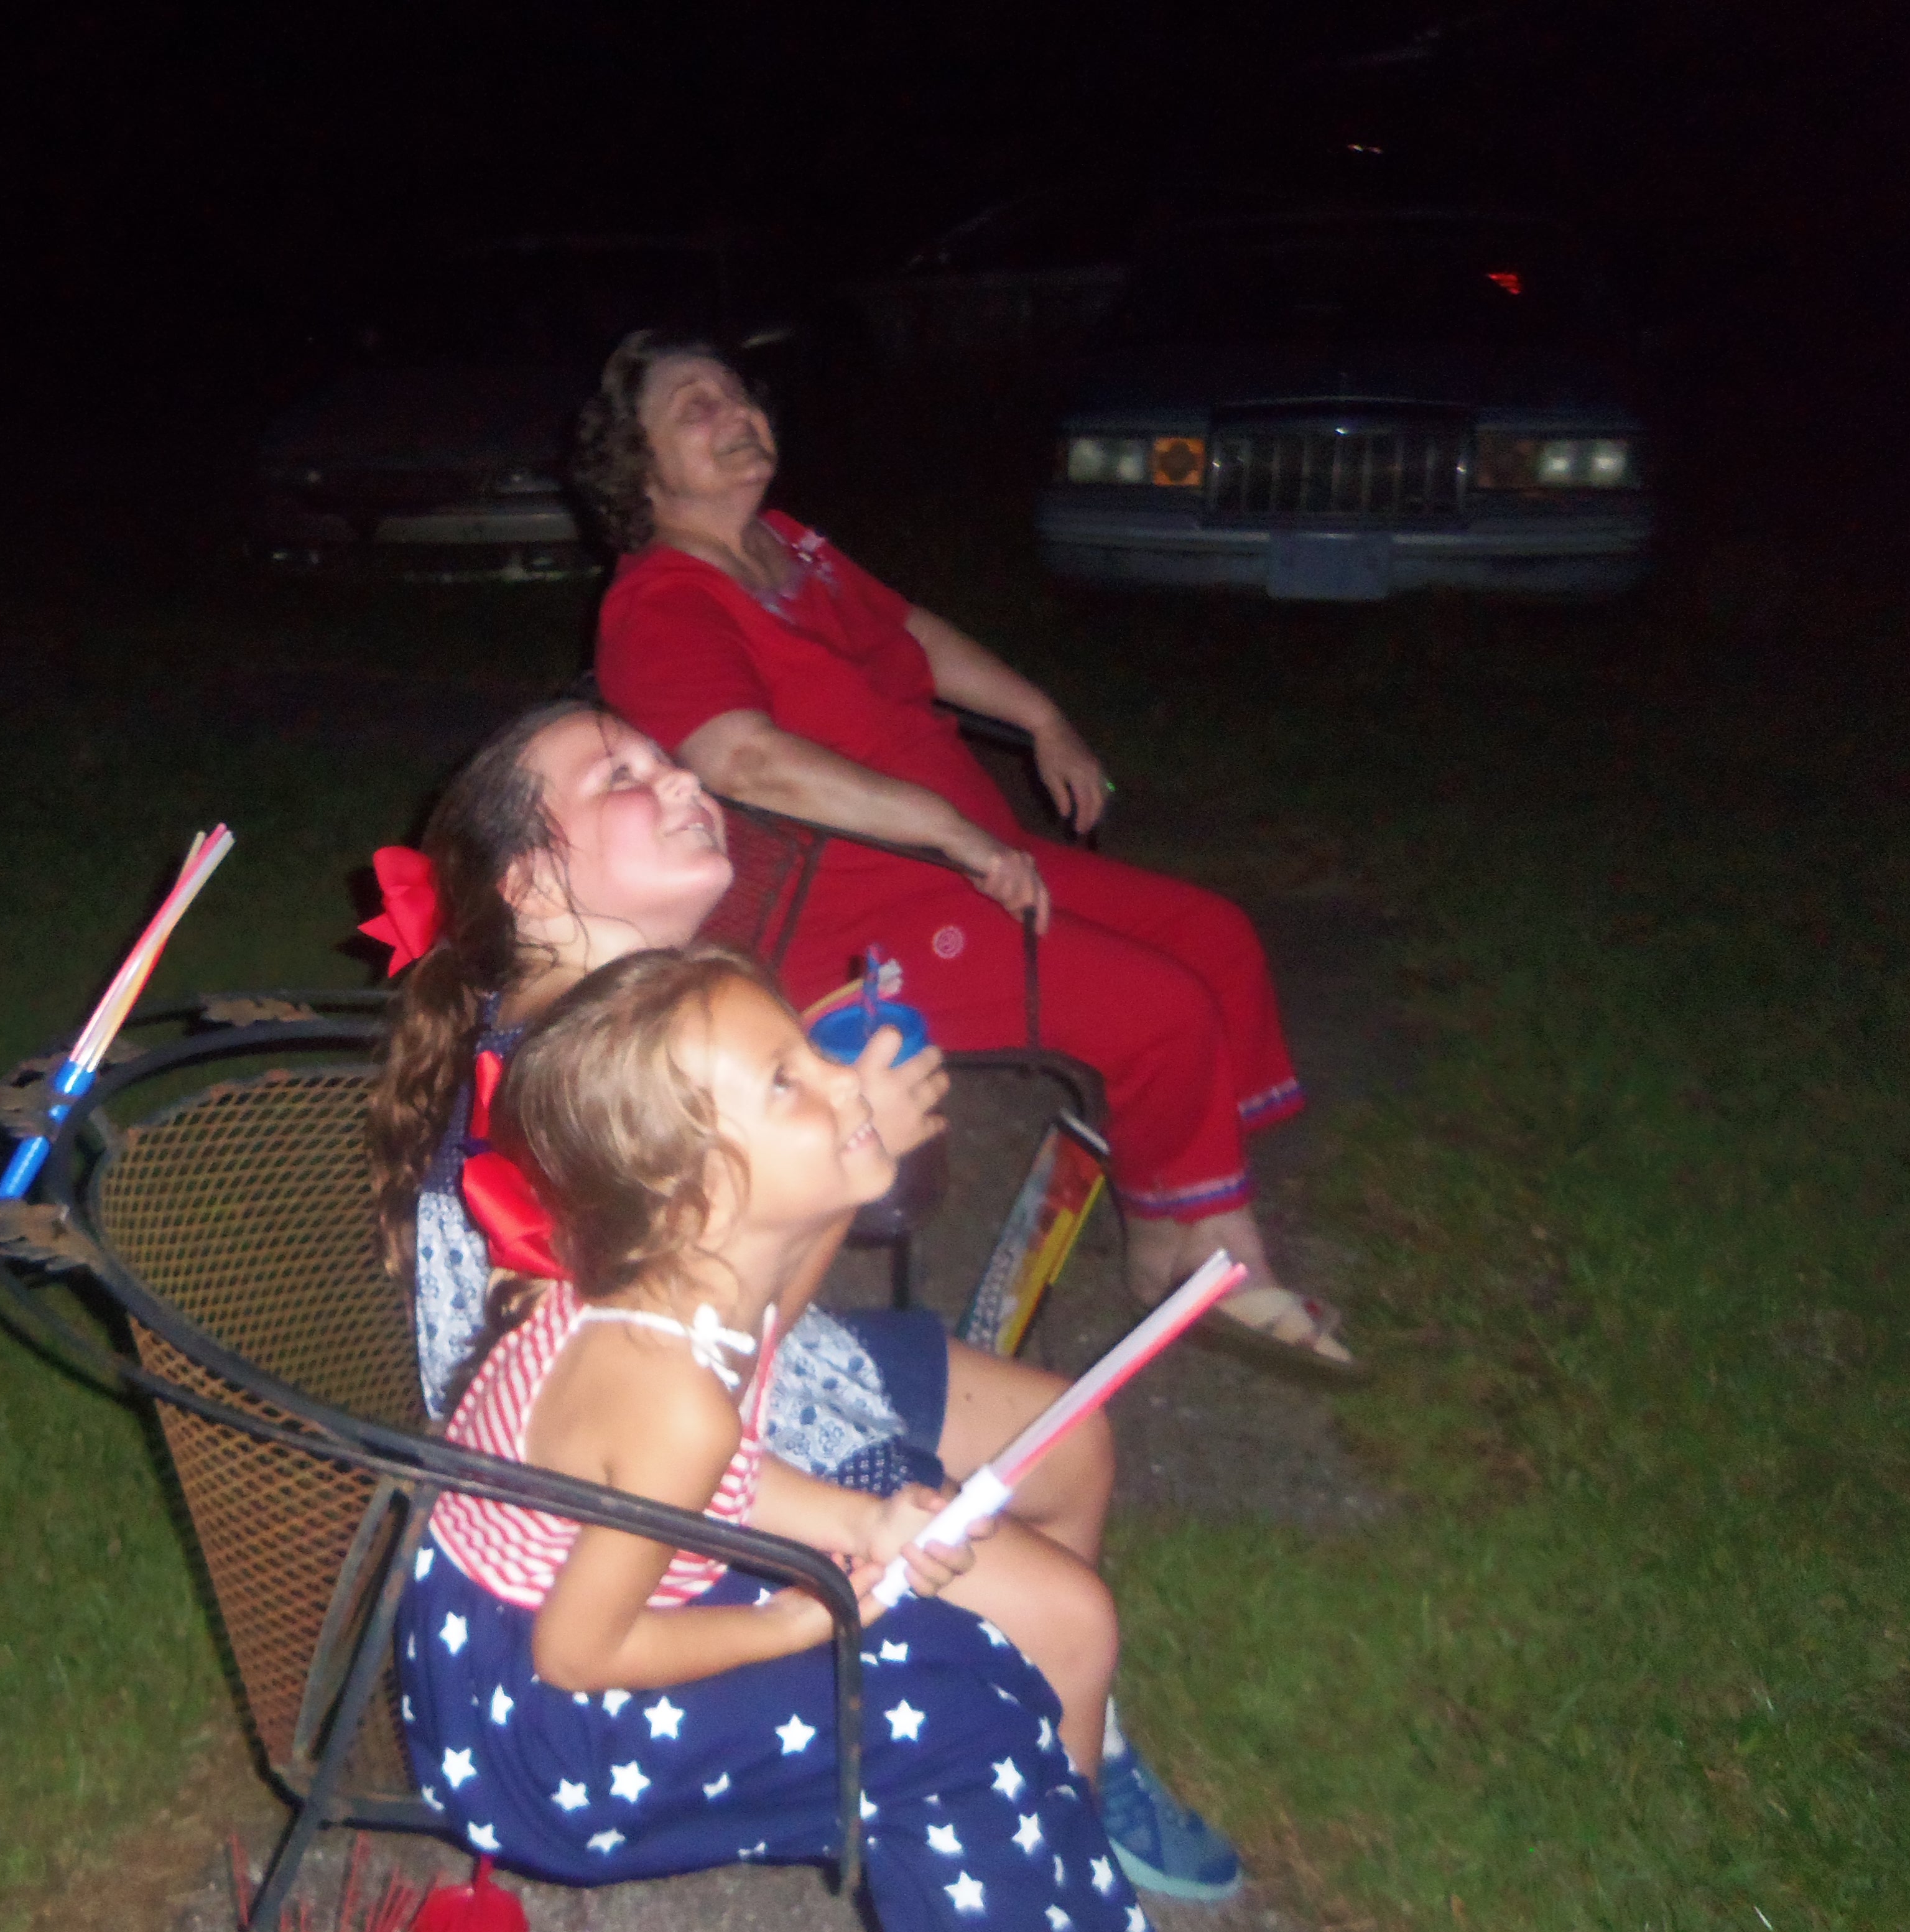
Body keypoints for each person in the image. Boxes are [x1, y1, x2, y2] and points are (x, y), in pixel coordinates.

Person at [396, 945, 1337, 1932]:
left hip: (549, 1633)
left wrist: (855, 1522)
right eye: (788, 1080)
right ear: (695, 1193)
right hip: (542, 1732)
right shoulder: (664, 1385)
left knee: (984, 1666)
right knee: (951, 1737)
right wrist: (800, 1621)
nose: (842, 1080)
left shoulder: (691, 1289)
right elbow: (581, 1651)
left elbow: (702, 1479)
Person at [367, 699, 1246, 1903]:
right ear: (528, 883)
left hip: (755, 1361)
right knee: (1069, 1614)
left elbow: (743, 1312)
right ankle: (1055, 1872)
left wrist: (822, 1109)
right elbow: (708, 1370)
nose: (679, 778)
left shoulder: (652, 1022)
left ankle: (1073, 1737)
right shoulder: (568, 1109)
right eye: (621, 775)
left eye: (665, 756)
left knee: (1072, 1438)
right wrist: (847, 1170)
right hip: (671, 1466)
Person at [577, 331, 1358, 1382]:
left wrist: (1042, 719)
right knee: (1159, 1006)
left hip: (968, 863)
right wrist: (948, 828)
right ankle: (1218, 1253)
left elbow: (912, 632)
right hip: (855, 920)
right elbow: (740, 758)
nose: (736, 416)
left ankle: (1174, 1223)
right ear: (639, 469)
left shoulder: (787, 547)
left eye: (737, 395)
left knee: (1214, 937)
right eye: (694, 409)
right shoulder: (661, 604)